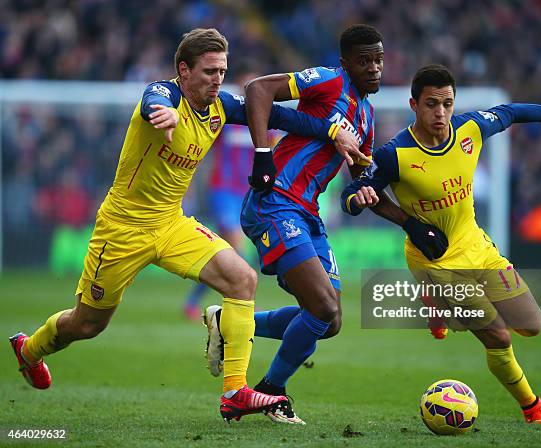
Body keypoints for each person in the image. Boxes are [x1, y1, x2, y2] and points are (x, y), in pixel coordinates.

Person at [9, 27, 359, 423]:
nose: (217, 80)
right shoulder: (164, 95)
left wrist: (330, 129)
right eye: (209, 71)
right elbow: (152, 100)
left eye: (222, 71)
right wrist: (164, 112)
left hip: (171, 225)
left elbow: (276, 113)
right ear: (184, 69)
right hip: (122, 229)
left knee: (242, 279)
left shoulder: (220, 107)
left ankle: (235, 392)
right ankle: (30, 349)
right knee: (87, 324)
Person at [340, 64, 541, 424]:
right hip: (434, 261)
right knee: (497, 335)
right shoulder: (394, 154)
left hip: (476, 246)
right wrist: (398, 217)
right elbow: (351, 197)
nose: (440, 113)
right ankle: (532, 406)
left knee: (531, 324)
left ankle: (438, 305)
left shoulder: (469, 129)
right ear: (414, 105)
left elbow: (510, 112)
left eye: (447, 103)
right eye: (431, 104)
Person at [204, 24, 393, 425]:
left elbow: (359, 179)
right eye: (364, 61)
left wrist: (360, 194)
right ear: (346, 63)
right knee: (322, 306)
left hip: (308, 214)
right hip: (276, 203)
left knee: (330, 321)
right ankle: (271, 392)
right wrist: (261, 154)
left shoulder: (368, 117)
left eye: (378, 60)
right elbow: (258, 90)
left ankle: (231, 323)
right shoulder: (328, 81)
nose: (374, 68)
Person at [182, 68, 280, 321]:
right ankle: (244, 306)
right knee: (237, 248)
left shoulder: (265, 121)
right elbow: (200, 152)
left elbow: (274, 151)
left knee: (224, 252)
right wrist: (190, 183)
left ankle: (194, 302)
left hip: (249, 193)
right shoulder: (224, 118)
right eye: (245, 83)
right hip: (223, 191)